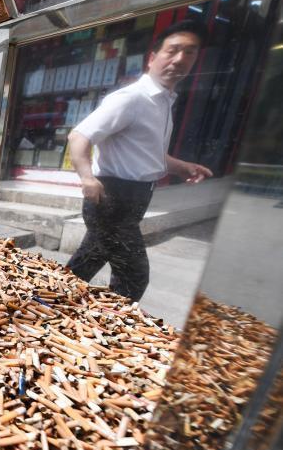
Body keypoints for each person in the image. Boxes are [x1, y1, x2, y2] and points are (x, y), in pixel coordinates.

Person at [66, 20, 213, 302]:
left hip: (133, 201)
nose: (180, 59)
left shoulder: (163, 100)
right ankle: (106, 333)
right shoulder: (132, 98)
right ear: (152, 58)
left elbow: (148, 154)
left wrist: (183, 167)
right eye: (173, 50)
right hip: (111, 201)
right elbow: (79, 136)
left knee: (83, 266)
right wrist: (86, 177)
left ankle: (43, 307)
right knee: (133, 276)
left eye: (190, 53)